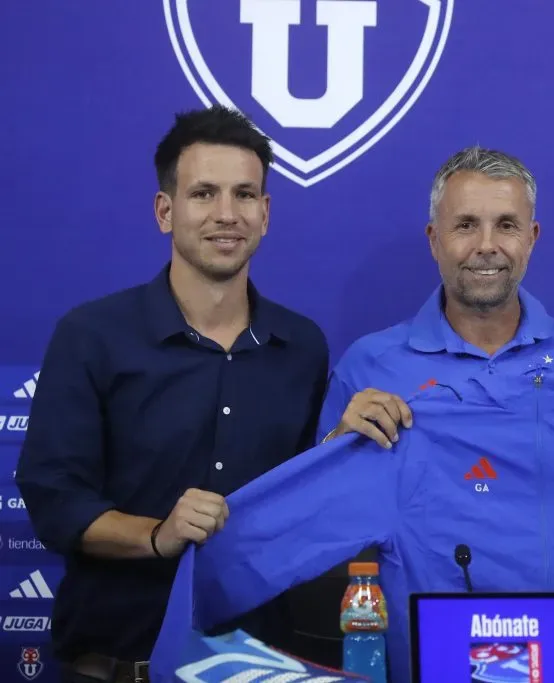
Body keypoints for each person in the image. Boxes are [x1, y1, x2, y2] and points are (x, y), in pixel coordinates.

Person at [16, 105, 329, 683]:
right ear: (166, 211)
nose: (226, 215)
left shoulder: (303, 346)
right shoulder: (91, 336)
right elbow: (54, 498)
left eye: (244, 195)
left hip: (267, 669)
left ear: (265, 213)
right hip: (114, 667)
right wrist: (156, 535)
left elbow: (313, 503)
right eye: (204, 193)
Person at [317, 145, 554, 448]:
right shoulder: (368, 367)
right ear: (434, 240)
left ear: (531, 239)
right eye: (466, 225)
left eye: (506, 226)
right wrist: (338, 444)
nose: (486, 245)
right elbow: (319, 514)